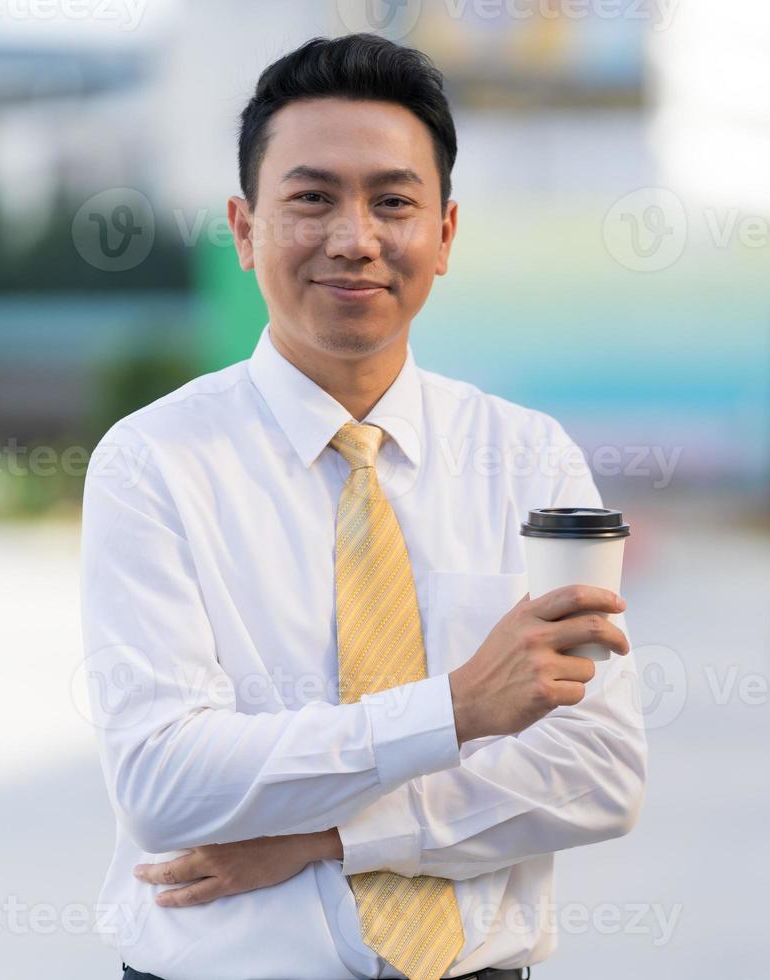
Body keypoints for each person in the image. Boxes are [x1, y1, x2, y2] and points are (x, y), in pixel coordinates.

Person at [79, 35, 646, 980]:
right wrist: (458, 710)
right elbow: (164, 783)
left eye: (393, 201)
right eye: (312, 198)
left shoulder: (529, 461)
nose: (356, 237)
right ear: (245, 227)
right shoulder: (153, 464)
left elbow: (598, 775)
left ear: (447, 234)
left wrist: (324, 837)